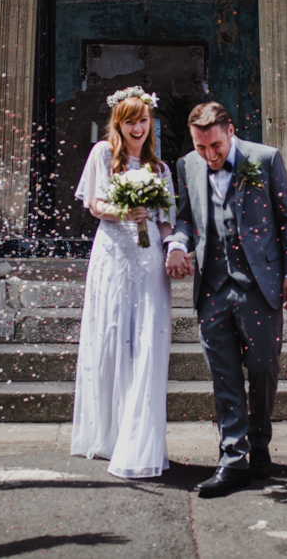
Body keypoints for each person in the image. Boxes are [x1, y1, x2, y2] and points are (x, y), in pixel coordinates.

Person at [165, 101, 287, 497]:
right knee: (223, 375)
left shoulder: (265, 158)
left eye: (215, 147)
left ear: (230, 131)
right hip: (211, 288)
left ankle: (259, 443)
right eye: (200, 147)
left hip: (259, 286)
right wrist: (176, 245)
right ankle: (232, 458)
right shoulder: (187, 165)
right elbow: (186, 218)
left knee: (263, 370)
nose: (208, 156)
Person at [70, 88, 176, 479]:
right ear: (118, 122)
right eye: (131, 120)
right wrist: (124, 211)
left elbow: (166, 218)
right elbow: (96, 205)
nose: (138, 127)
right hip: (113, 255)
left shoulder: (160, 169)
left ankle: (140, 437)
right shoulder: (102, 154)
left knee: (148, 341)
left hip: (148, 262)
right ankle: (109, 435)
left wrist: (172, 248)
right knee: (112, 337)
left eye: (144, 120)